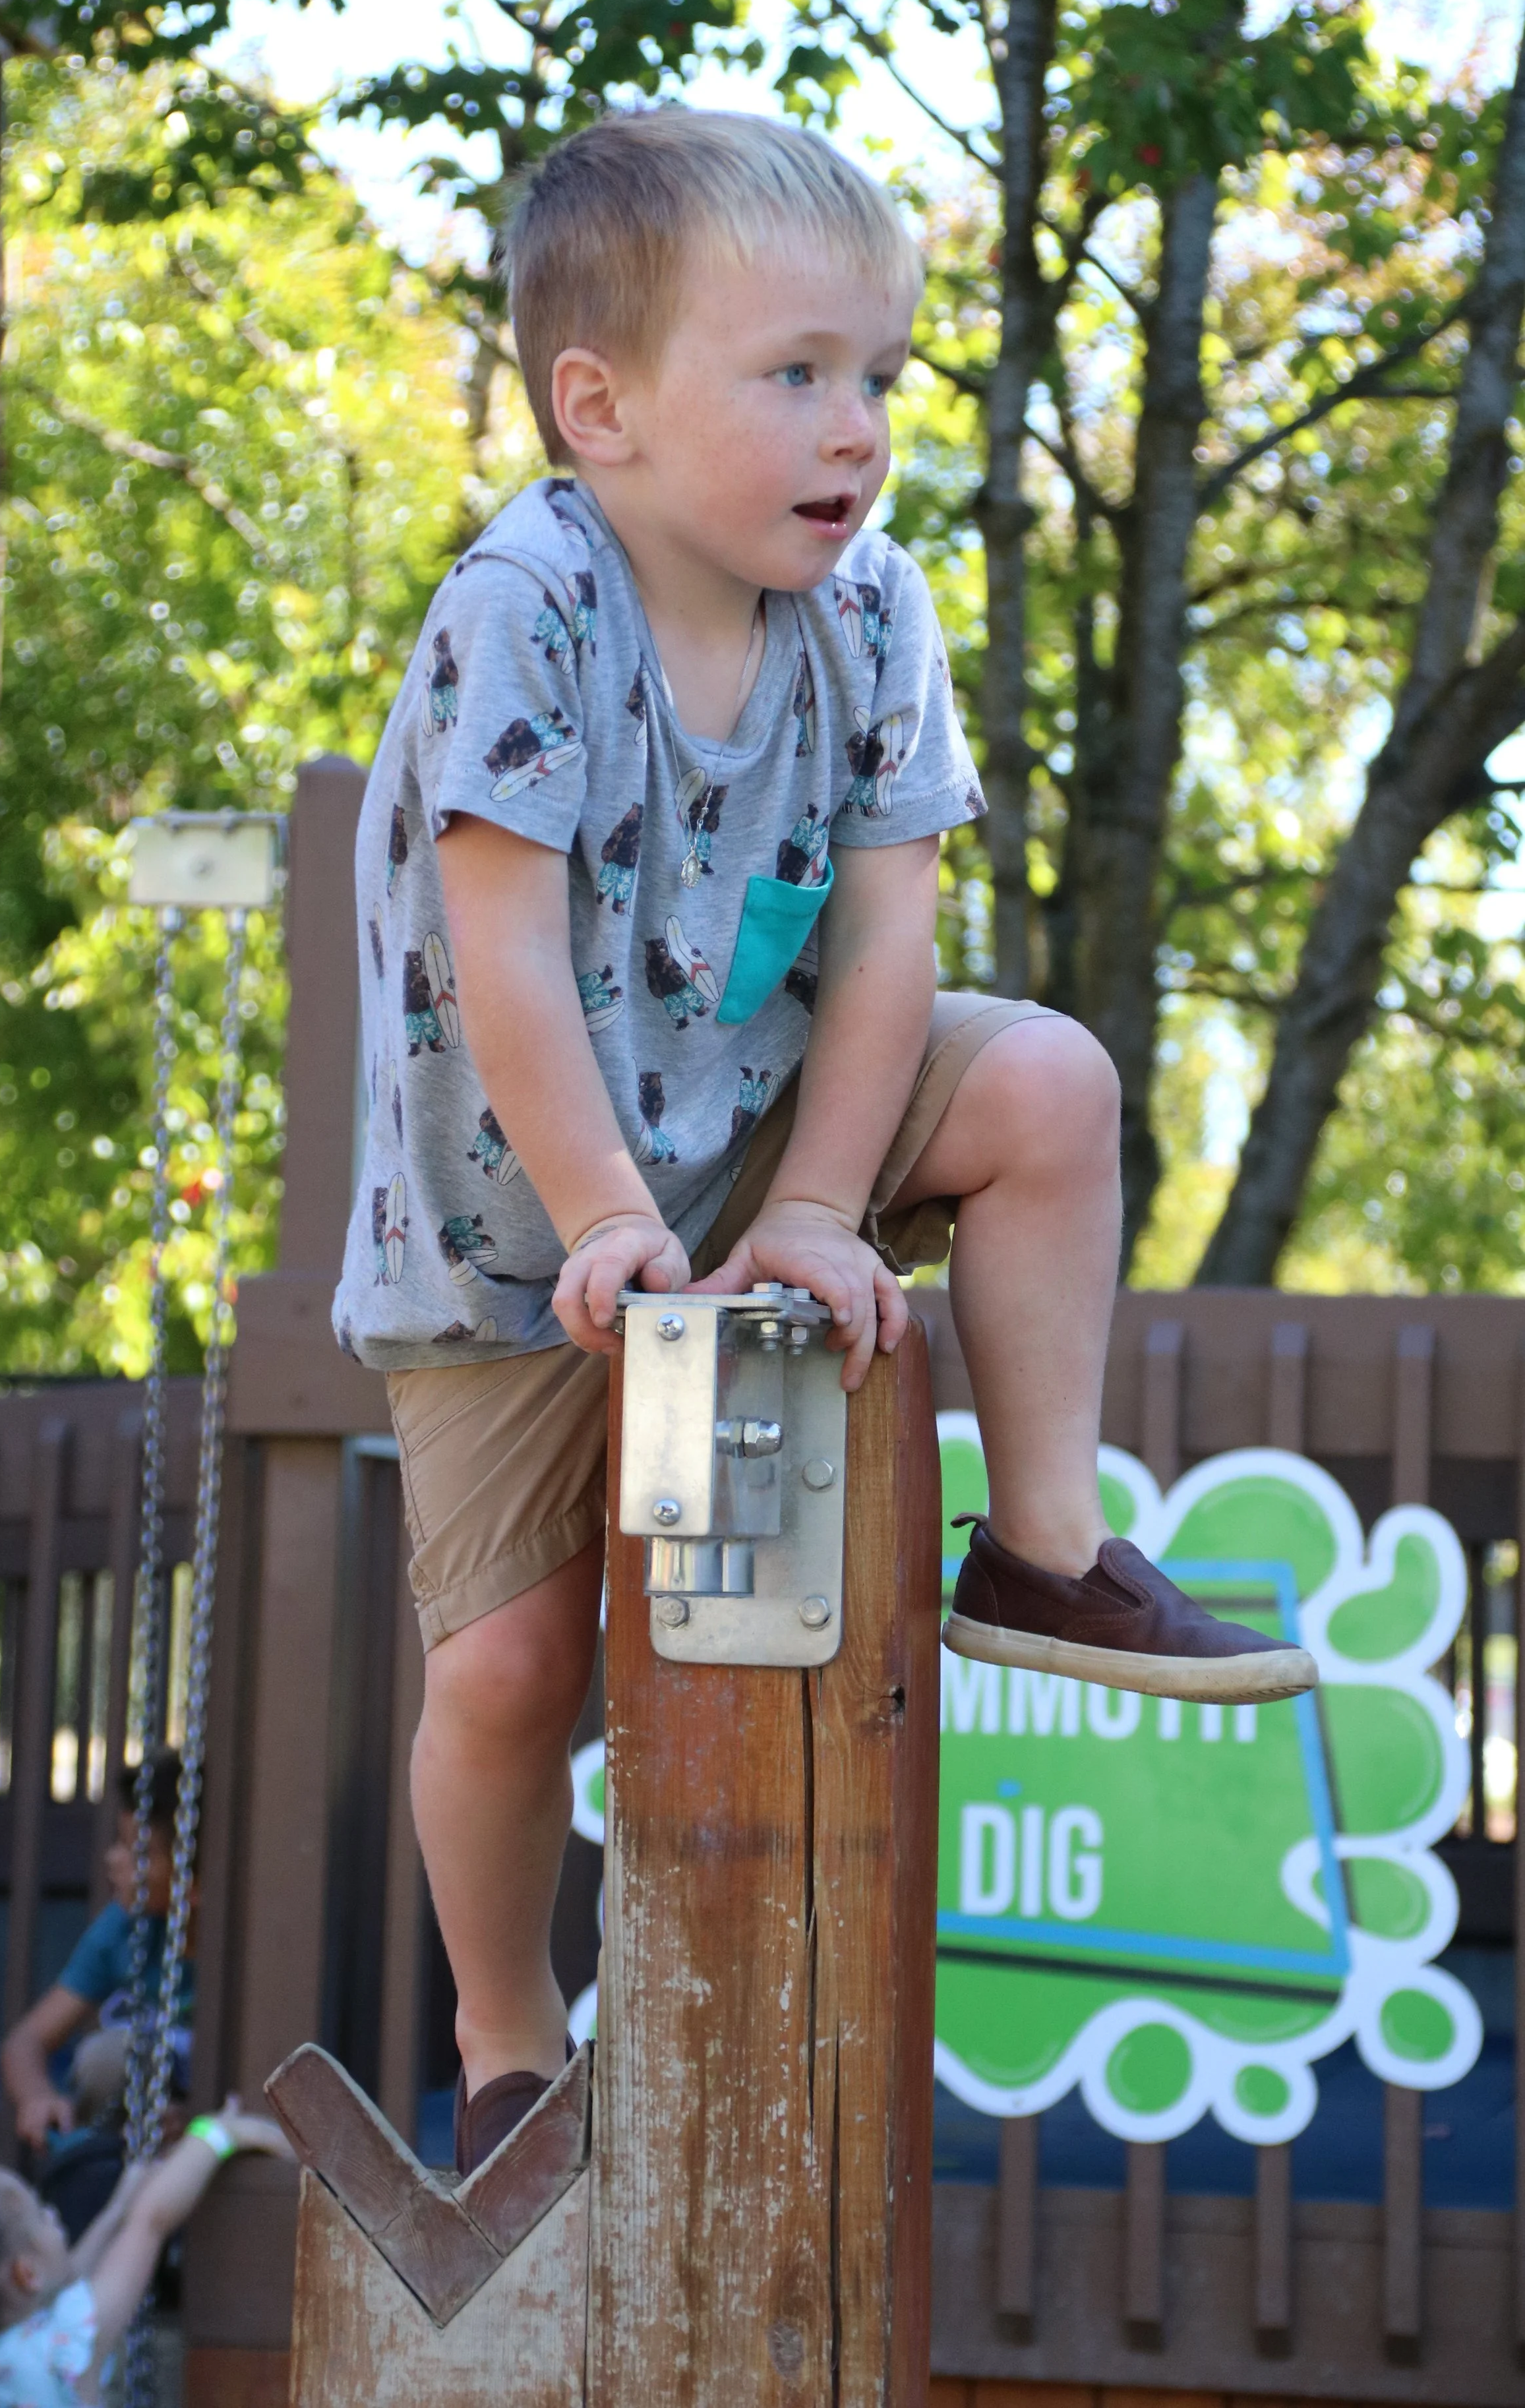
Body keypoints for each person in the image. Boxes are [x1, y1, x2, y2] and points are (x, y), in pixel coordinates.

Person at [330, 108, 1318, 2176]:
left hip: (760, 1110)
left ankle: (1042, 1547)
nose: (853, 423)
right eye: (791, 372)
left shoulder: (867, 612)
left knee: (1045, 1079)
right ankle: (506, 2026)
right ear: (595, 407)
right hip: (513, 1202)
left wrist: (803, 1200)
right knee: (512, 1661)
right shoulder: (525, 604)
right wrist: (612, 1212)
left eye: (876, 372)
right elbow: (496, 947)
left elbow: (888, 926)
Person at [0, 2103, 289, 2407]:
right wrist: (218, 2133)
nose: (53, 2216)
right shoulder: (61, 2350)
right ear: (24, 2275)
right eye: (40, 2213)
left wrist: (115, 2209)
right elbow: (152, 2221)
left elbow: (67, 2276)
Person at [0, 1753, 194, 2152]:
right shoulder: (121, 1928)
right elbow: (25, 2041)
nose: (113, 1860)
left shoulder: (244, 1956)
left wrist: (195, 2118)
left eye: (138, 1853)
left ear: (194, 1883)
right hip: (131, 2134)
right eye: (119, 1843)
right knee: (106, 2059)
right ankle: (93, 2168)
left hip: (208, 2131)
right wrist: (39, 2097)